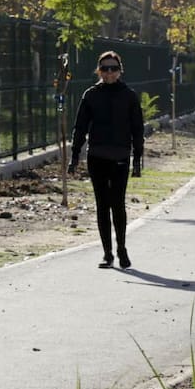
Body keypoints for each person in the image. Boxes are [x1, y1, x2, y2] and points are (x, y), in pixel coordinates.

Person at [68, 50, 144, 269]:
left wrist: (137, 158)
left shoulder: (129, 95)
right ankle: (107, 253)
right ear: (99, 71)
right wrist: (75, 155)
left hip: (120, 155)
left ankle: (122, 248)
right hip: (97, 156)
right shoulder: (91, 95)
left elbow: (137, 128)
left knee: (117, 204)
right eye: (105, 69)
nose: (109, 73)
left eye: (113, 68)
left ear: (120, 71)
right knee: (102, 205)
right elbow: (80, 126)